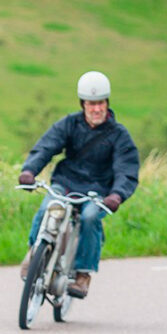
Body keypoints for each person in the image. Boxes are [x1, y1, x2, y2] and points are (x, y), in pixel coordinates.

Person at [18, 70, 139, 298]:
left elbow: (127, 170)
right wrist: (29, 170)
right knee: (47, 209)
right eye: (91, 104)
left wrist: (116, 195)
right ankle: (35, 253)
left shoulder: (119, 136)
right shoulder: (69, 124)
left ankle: (83, 274)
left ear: (107, 103)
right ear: (83, 104)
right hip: (66, 182)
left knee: (90, 217)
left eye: (100, 103)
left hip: (99, 190)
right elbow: (47, 146)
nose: (96, 109)